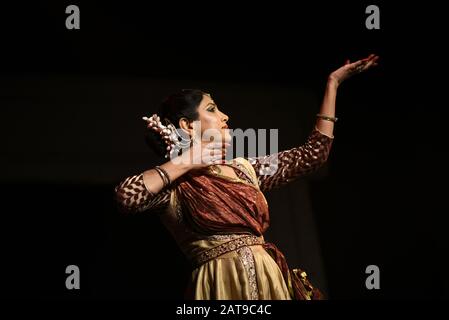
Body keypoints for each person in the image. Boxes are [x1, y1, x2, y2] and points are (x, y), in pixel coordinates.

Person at [114, 54, 379, 300]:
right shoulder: (175, 185)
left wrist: (333, 83)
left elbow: (312, 155)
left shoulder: (244, 169)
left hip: (269, 279)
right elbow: (127, 197)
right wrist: (187, 161)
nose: (224, 116)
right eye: (212, 109)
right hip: (219, 285)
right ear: (188, 125)